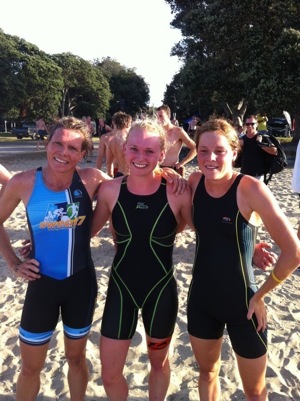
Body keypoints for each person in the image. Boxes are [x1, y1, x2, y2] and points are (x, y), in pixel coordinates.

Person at [187, 118, 300, 401]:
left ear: (234, 152)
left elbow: (293, 252)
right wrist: (248, 250)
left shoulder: (250, 188)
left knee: (255, 391)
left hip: (245, 305)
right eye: (203, 150)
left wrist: (261, 294)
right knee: (207, 373)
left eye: (219, 151)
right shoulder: (193, 181)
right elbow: (211, 231)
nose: (210, 158)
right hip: (201, 300)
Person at [0, 116, 111, 401]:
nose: (63, 153)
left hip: (81, 284)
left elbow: (133, 186)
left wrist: (166, 174)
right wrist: (14, 262)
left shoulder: (92, 179)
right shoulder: (22, 182)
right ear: (46, 143)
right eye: (58, 143)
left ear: (83, 154)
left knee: (76, 359)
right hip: (41, 287)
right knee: (29, 369)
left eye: (73, 148)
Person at [91, 118, 192, 401]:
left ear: (162, 154)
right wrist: (40, 239)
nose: (140, 157)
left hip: (160, 292)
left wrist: (252, 244)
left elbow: (209, 230)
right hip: (120, 291)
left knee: (159, 364)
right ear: (124, 148)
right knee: (109, 374)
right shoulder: (111, 190)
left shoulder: (176, 192)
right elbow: (84, 233)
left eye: (150, 151)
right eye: (134, 149)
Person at [156, 105, 197, 177]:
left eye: (161, 116)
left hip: (173, 169)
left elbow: (195, 148)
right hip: (158, 169)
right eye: (157, 117)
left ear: (168, 116)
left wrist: (182, 163)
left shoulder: (178, 131)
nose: (158, 119)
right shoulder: (156, 132)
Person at [239, 115, 278, 180]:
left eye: (252, 124)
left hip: (258, 174)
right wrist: (239, 147)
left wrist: (260, 143)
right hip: (244, 174)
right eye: (247, 124)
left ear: (256, 125)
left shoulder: (262, 137)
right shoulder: (242, 139)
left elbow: (275, 151)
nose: (250, 126)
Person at [106, 111, 132, 177]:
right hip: (129, 175)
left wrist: (110, 176)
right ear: (128, 123)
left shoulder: (112, 141)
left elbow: (109, 163)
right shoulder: (128, 138)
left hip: (119, 174)